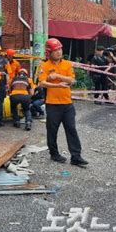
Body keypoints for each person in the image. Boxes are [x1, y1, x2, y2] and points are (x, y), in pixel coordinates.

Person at [38, 38, 89, 167]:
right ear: (49, 52)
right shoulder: (44, 65)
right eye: (55, 50)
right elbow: (42, 83)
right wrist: (57, 85)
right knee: (52, 130)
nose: (59, 52)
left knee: (71, 129)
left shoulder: (67, 64)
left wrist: (56, 77)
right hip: (52, 104)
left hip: (67, 103)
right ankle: (54, 154)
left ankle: (76, 157)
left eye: (60, 49)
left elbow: (72, 80)